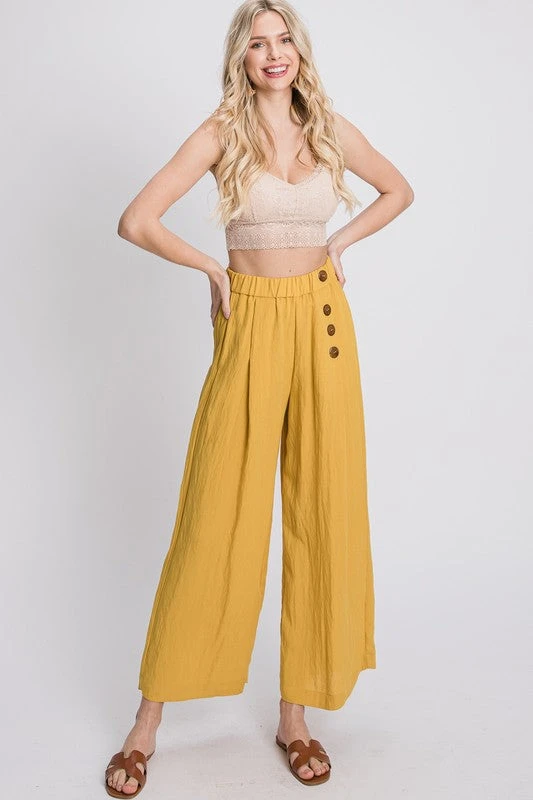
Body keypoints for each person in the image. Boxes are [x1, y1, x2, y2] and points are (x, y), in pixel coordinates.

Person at [104, 0, 414, 794]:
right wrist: (212, 268)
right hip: (249, 324)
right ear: (239, 59)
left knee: (323, 511)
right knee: (216, 515)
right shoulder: (221, 132)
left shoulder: (329, 129)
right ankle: (147, 722)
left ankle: (295, 717)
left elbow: (397, 190)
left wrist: (337, 243)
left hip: (322, 322)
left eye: (282, 40)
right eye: (256, 44)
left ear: (298, 51)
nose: (273, 54)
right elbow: (136, 220)